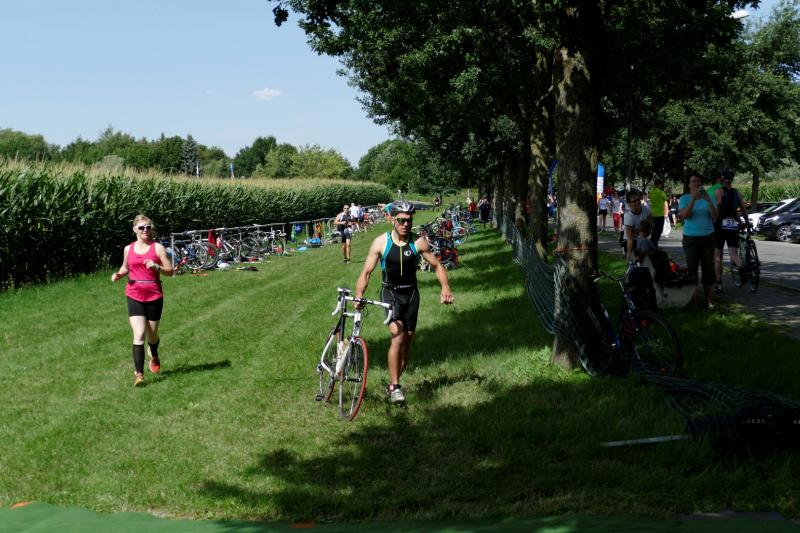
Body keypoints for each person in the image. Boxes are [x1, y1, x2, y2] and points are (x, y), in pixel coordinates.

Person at [354, 200, 454, 404]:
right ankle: (395, 386)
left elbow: (437, 266)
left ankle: (394, 382)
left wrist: (445, 287)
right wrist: (358, 295)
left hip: (411, 295)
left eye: (409, 221)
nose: (406, 224)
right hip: (390, 293)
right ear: (393, 220)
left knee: (407, 343)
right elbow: (366, 272)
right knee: (397, 336)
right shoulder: (380, 242)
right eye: (401, 220)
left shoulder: (418, 242)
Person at [111, 214, 173, 386]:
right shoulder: (128, 249)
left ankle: (153, 352)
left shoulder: (157, 248)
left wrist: (157, 266)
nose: (145, 230)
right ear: (134, 230)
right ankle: (139, 374)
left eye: (148, 227)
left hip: (154, 295)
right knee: (139, 334)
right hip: (134, 294)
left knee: (152, 335)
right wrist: (119, 274)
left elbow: (170, 271)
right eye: (141, 228)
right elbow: (125, 267)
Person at [679, 171, 718, 309]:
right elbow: (685, 216)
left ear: (701, 184)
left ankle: (708, 300)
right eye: (693, 181)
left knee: (708, 268)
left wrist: (708, 201)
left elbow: (715, 216)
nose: (696, 183)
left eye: (698, 181)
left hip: (708, 237)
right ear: (689, 185)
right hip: (691, 238)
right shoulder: (684, 199)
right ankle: (692, 298)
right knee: (692, 269)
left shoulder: (709, 198)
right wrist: (693, 199)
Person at [713, 170, 749, 293]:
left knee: (718, 256)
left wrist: (713, 215)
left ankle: (719, 285)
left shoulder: (719, 191)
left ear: (722, 179)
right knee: (734, 254)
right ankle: (741, 267)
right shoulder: (737, 193)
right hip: (732, 224)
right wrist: (746, 221)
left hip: (720, 224)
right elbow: (743, 210)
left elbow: (718, 205)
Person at [622, 189, 652, 264]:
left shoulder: (646, 209)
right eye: (634, 201)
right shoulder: (628, 217)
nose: (637, 202)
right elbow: (630, 239)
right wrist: (629, 254)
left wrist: (646, 229)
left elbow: (651, 224)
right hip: (631, 241)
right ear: (629, 204)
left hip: (643, 238)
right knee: (637, 261)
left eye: (638, 199)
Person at [649, 178, 669, 248]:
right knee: (659, 230)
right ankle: (654, 244)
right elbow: (666, 199)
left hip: (653, 213)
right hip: (660, 214)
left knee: (654, 230)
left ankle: (652, 244)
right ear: (659, 184)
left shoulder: (651, 192)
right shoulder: (661, 192)